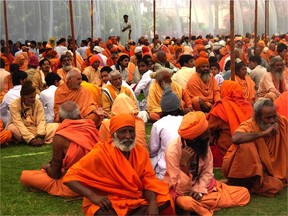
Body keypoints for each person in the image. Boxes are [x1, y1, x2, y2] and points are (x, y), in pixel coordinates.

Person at [63, 113, 174, 216]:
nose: (128, 136)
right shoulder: (101, 152)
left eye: (131, 131)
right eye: (123, 132)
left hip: (136, 198)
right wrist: (94, 197)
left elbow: (148, 182)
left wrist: (153, 203)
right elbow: (69, 177)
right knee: (102, 213)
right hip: (110, 201)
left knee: (165, 199)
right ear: (113, 134)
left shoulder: (141, 152)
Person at [163, 111, 250, 215]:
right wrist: (183, 167)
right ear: (195, 138)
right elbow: (180, 190)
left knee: (243, 193)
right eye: (206, 132)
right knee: (186, 202)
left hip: (203, 190)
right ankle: (196, 208)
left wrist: (198, 192)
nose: (210, 134)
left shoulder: (203, 144)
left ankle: (195, 207)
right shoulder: (172, 151)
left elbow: (207, 172)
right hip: (180, 192)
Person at [20, 101, 100, 197]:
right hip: (98, 181)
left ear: (60, 119)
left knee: (26, 176)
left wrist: (46, 167)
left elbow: (55, 175)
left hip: (75, 186)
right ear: (79, 115)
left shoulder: (60, 137)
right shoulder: (91, 127)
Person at [222, 98, 287, 196]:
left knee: (276, 185)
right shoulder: (250, 125)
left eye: (274, 116)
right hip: (237, 167)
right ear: (257, 117)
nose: (273, 121)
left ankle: (251, 185)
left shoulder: (281, 122)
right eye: (268, 118)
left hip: (262, 171)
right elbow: (235, 138)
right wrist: (263, 133)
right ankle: (239, 181)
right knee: (247, 147)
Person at [207, 80, 254, 167]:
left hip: (227, 153)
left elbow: (207, 128)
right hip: (250, 153)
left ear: (224, 91)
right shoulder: (248, 106)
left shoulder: (221, 108)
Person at [6, 80, 58, 146]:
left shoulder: (38, 103)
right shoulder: (14, 105)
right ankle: (29, 139)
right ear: (23, 97)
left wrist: (40, 136)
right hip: (21, 129)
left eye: (34, 96)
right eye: (31, 97)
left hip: (36, 128)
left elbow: (41, 121)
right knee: (12, 128)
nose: (34, 99)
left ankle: (34, 139)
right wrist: (30, 139)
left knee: (56, 126)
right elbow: (18, 123)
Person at [149, 86, 184, 180]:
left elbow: (153, 150)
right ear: (179, 106)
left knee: (153, 157)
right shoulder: (186, 120)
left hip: (166, 172)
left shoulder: (158, 124)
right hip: (187, 170)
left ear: (162, 109)